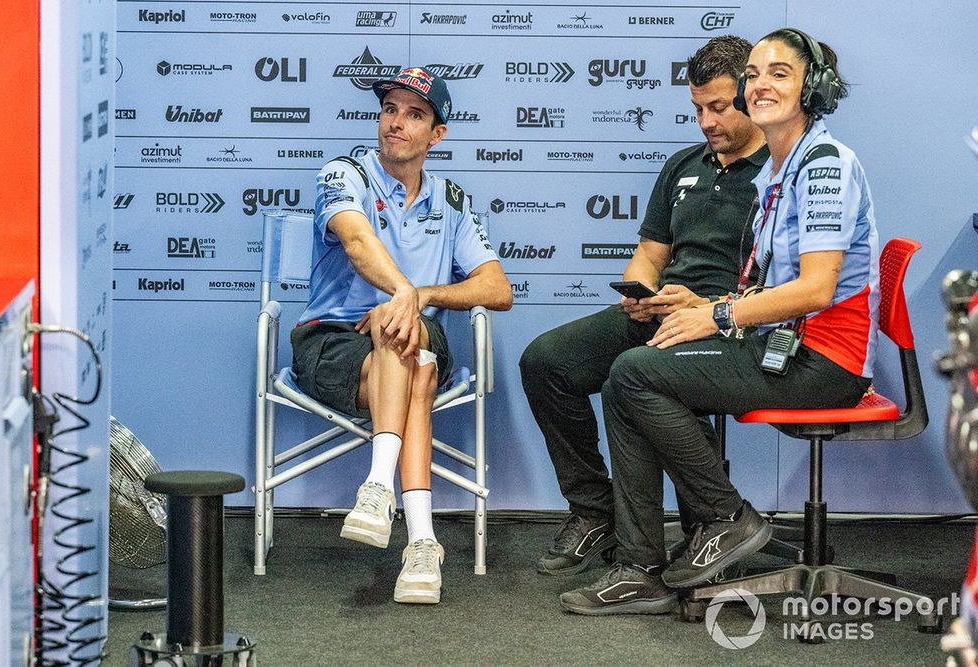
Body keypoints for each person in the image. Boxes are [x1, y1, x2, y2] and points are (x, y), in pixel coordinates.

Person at [560, 27, 877, 615]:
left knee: (634, 375)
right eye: (753, 74)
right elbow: (770, 280)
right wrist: (700, 307)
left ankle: (720, 521)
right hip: (781, 344)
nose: (760, 85)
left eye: (778, 73)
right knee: (635, 371)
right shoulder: (782, 170)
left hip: (824, 361)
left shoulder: (826, 164)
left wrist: (718, 314)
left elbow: (816, 288)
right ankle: (646, 563)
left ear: (816, 87)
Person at [519, 36, 768, 577]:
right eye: (698, 109)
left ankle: (707, 521)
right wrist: (642, 293)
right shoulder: (682, 165)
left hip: (729, 323)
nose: (706, 122)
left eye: (719, 107)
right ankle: (593, 510)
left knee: (635, 378)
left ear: (752, 95)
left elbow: (786, 288)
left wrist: (704, 304)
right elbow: (649, 256)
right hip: (664, 310)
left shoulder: (780, 173)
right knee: (545, 361)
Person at [290, 66, 512, 604]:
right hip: (332, 338)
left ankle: (376, 489)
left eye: (414, 115)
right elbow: (358, 242)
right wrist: (404, 297)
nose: (396, 123)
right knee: (419, 364)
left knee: (400, 333)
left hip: (410, 332)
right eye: (390, 109)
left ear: (437, 134)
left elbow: (498, 288)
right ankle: (422, 542)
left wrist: (420, 297)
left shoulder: (452, 199)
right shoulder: (347, 173)